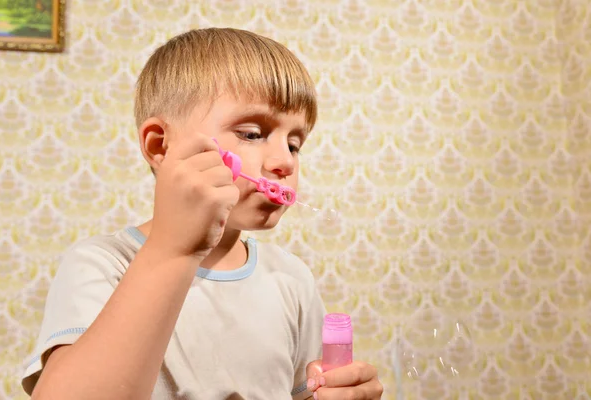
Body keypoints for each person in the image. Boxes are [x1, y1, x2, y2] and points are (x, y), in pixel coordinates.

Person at [21, 28, 384, 400]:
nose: (283, 162)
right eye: (251, 133)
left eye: (294, 144)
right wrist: (174, 249)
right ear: (161, 146)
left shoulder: (291, 279)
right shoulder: (102, 266)